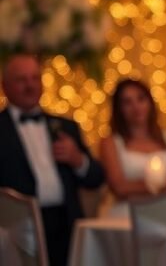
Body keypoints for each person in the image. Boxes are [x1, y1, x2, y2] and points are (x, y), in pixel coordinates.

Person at [0, 53, 106, 266]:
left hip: (66, 224)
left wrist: (78, 161)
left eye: (35, 78)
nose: (30, 85)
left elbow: (96, 178)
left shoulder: (65, 126)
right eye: (21, 80)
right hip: (18, 229)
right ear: (4, 86)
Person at [98, 78, 166, 216]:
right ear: (119, 109)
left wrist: (140, 185)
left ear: (150, 102)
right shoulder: (111, 142)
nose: (136, 107)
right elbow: (119, 187)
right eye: (127, 102)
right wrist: (163, 184)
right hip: (129, 212)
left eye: (141, 99)